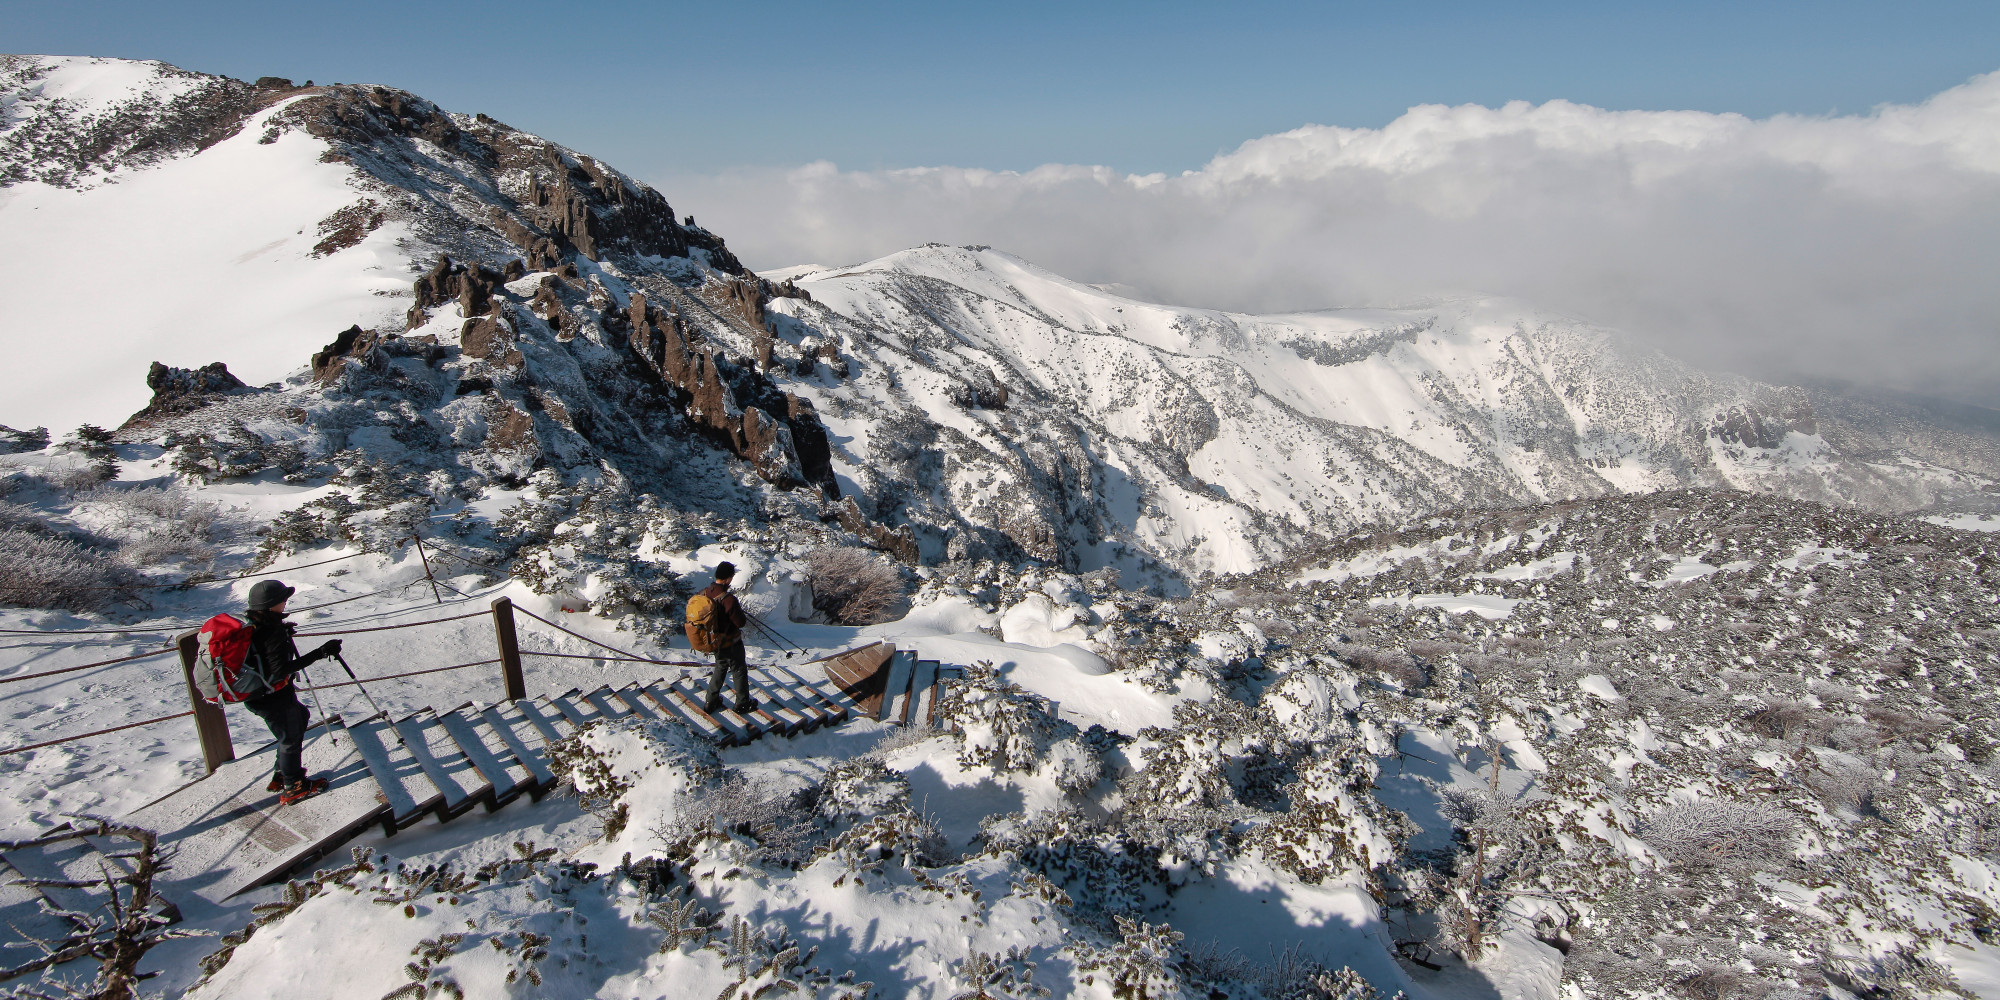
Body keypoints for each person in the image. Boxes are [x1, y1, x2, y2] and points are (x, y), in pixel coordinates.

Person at [242, 579, 343, 804]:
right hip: (272, 696)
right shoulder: (271, 631)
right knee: (290, 736)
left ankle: (282, 774)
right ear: (270, 605)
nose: (285, 602)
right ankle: (293, 786)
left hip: (257, 695)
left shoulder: (253, 624)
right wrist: (320, 652)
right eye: (281, 599)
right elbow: (280, 670)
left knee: (300, 717)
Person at [699, 562, 754, 715]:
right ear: (728, 578)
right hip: (731, 641)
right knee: (739, 669)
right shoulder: (728, 599)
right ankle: (742, 703)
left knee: (720, 666)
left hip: (714, 640)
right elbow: (740, 622)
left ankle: (711, 701)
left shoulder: (704, 593)